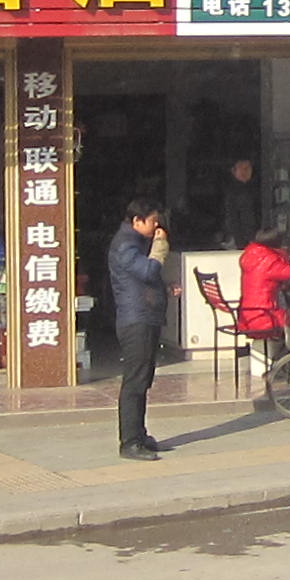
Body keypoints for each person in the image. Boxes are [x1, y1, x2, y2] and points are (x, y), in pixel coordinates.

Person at [108, 194, 174, 458]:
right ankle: (130, 442)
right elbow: (147, 271)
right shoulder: (125, 244)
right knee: (135, 381)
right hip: (136, 320)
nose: (156, 226)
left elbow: (142, 280)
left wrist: (164, 289)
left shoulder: (134, 242)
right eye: (152, 221)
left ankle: (140, 434)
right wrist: (160, 246)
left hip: (144, 316)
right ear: (137, 221)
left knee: (143, 380)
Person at [234, 225, 290, 352]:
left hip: (247, 316)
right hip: (264, 316)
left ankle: (284, 356)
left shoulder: (250, 255)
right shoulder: (270, 260)